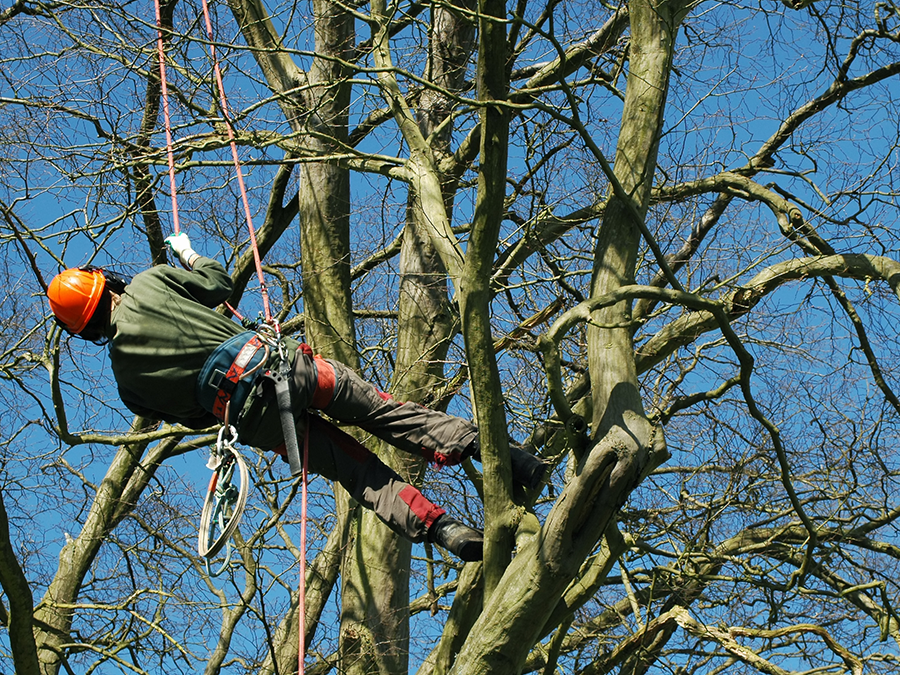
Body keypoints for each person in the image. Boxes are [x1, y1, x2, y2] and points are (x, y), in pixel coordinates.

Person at [46, 233, 546, 562]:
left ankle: (443, 530)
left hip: (257, 420)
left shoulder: (127, 383)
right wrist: (189, 254)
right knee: (382, 412)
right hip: (286, 368)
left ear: (85, 330)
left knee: (359, 474)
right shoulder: (150, 284)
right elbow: (219, 283)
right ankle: (509, 457)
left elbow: (194, 417)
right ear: (104, 282)